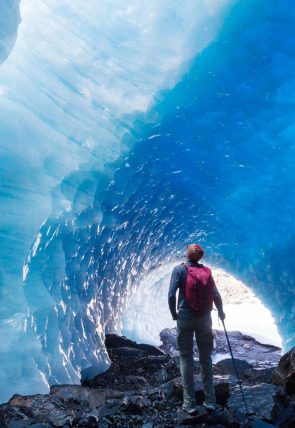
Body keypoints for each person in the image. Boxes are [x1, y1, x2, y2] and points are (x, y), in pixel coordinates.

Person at [168, 244, 225, 414]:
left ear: (187, 254)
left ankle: (189, 404)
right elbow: (216, 295)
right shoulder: (206, 271)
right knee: (206, 358)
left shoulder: (179, 270)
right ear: (200, 256)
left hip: (185, 319)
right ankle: (210, 401)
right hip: (205, 320)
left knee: (186, 358)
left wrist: (174, 314)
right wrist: (221, 313)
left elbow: (171, 295)